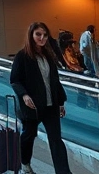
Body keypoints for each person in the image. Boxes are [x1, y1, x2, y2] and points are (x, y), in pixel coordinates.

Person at [10, 22, 72, 174]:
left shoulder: (49, 56)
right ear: (31, 36)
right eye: (38, 34)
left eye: (44, 35)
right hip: (33, 106)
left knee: (56, 140)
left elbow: (54, 80)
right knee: (28, 135)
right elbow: (15, 79)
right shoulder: (22, 56)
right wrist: (24, 95)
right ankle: (25, 163)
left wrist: (60, 102)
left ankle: (64, 172)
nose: (42, 38)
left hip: (51, 105)